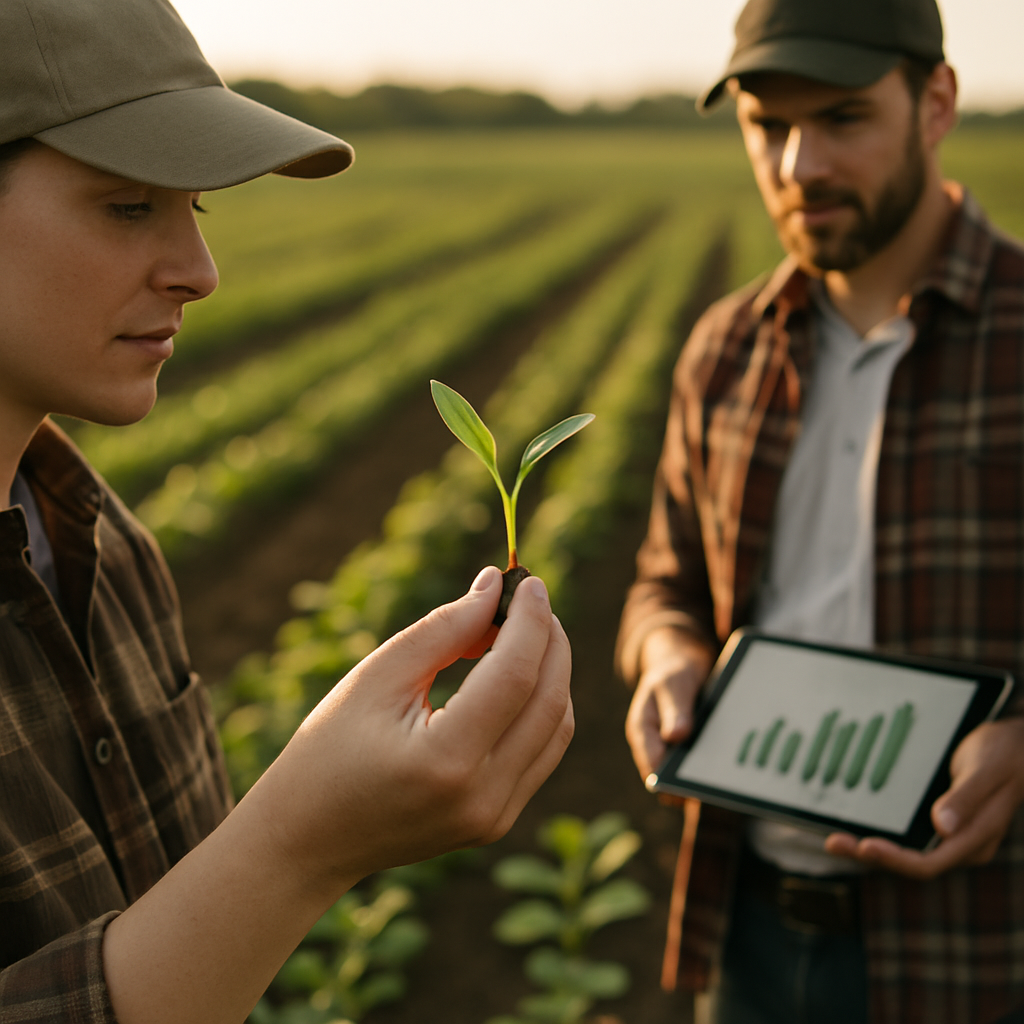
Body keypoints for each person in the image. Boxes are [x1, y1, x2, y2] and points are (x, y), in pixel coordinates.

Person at [0, 1, 574, 1022]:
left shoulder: (100, 538)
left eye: (196, 211)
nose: (199, 272)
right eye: (129, 206)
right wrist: (300, 846)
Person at [616, 0, 1024, 1021]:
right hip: (748, 927)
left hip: (979, 942)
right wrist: (666, 654)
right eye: (767, 125)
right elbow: (662, 582)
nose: (798, 165)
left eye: (842, 119)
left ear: (935, 104)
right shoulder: (722, 349)